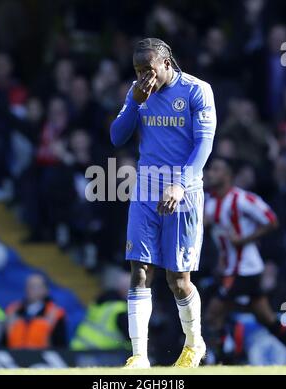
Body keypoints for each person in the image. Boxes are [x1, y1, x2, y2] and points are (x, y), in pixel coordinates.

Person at [110, 38, 216, 368]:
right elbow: (116, 136)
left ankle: (194, 343)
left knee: (177, 280)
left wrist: (180, 185)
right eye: (138, 71)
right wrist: (133, 103)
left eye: (149, 70)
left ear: (166, 65)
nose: (144, 77)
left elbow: (204, 146)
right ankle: (139, 356)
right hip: (145, 192)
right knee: (139, 271)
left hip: (183, 194)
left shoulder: (197, 91)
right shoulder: (138, 92)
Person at [204, 156, 286, 362]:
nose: (210, 174)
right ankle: (227, 355)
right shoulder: (211, 204)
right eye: (210, 170)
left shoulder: (242, 199)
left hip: (246, 269)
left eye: (216, 169)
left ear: (228, 175)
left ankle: (225, 359)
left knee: (213, 315)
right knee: (267, 319)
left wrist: (244, 239)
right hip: (231, 268)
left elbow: (272, 221)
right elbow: (217, 236)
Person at [5, 274, 66, 349]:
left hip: (42, 358)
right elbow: (3, 342)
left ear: (45, 290)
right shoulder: (13, 311)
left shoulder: (55, 313)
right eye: (29, 286)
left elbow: (60, 345)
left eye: (36, 286)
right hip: (13, 357)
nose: (31, 289)